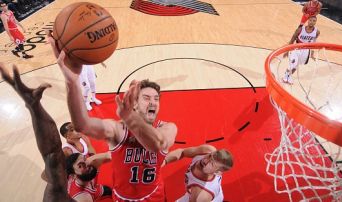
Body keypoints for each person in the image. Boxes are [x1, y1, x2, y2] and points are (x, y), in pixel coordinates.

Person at [47, 31, 178, 201]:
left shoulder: (167, 128)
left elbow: (157, 144)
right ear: (135, 103)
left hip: (154, 195)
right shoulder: (117, 130)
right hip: (122, 197)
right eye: (146, 98)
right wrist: (72, 82)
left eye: (156, 98)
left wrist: (129, 117)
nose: (153, 102)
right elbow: (82, 125)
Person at [0, 63, 72, 201]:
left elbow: (54, 152)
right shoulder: (57, 194)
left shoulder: (65, 192)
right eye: (83, 164)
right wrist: (35, 107)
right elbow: (52, 152)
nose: (87, 164)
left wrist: (35, 106)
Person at [163, 144, 234, 202]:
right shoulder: (208, 150)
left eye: (211, 164)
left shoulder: (200, 195)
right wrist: (163, 162)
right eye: (210, 156)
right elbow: (183, 152)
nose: (205, 161)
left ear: (217, 172)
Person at [283, 16, 320, 84]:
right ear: (308, 21)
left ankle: (290, 76)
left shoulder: (317, 32)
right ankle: (285, 75)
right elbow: (292, 39)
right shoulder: (300, 29)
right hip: (296, 48)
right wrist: (287, 51)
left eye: (314, 21)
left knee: (296, 65)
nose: (312, 22)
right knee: (293, 64)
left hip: (306, 50)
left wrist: (312, 53)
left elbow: (313, 42)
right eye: (310, 20)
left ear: (315, 22)